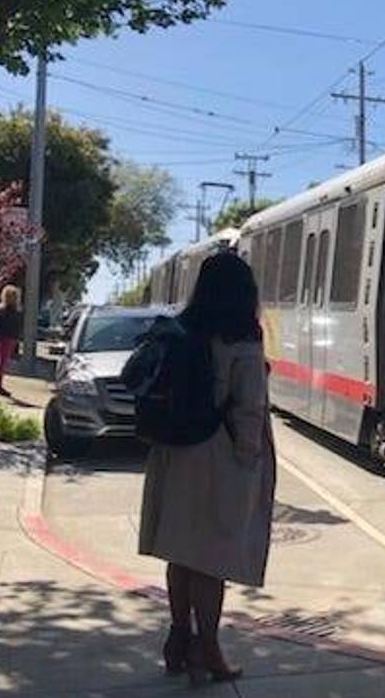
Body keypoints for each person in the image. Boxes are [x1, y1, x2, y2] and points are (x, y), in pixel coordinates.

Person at [137, 252, 275, 685]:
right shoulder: (243, 338)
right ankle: (207, 650)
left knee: (180, 553)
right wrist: (250, 460)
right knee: (211, 559)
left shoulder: (184, 325)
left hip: (175, 450)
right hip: (220, 454)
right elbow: (249, 405)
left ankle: (178, 639)